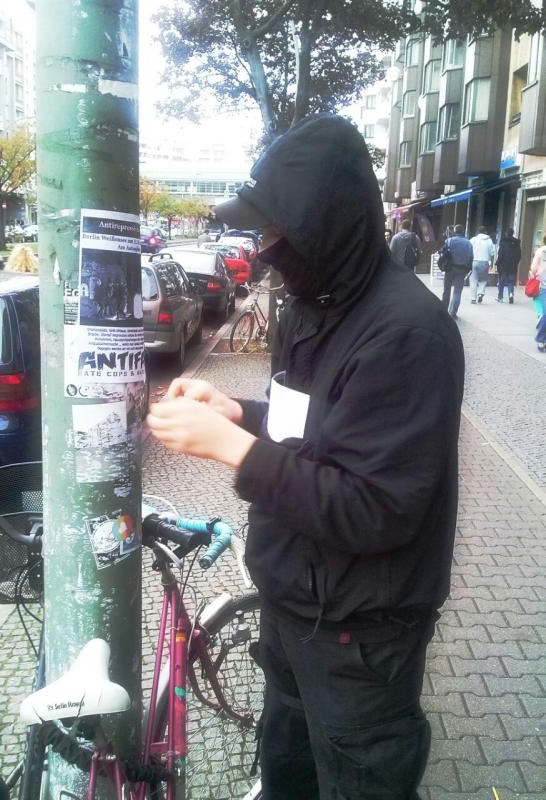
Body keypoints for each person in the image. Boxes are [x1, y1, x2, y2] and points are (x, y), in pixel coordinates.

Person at [146, 114, 464, 800]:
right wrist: (240, 413)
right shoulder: (315, 308)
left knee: (357, 780)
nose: (262, 248)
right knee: (289, 775)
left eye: (272, 230)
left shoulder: (407, 334)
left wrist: (233, 448)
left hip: (358, 637)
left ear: (322, 223)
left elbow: (375, 507)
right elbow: (314, 429)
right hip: (293, 611)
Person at [440, 224, 473, 319]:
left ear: (454, 231)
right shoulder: (468, 243)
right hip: (462, 269)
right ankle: (453, 312)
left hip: (449, 268)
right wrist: (468, 269)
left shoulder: (449, 241)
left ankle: (444, 311)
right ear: (463, 231)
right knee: (457, 292)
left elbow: (443, 253)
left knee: (446, 290)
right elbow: (470, 257)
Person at [469, 226, 495, 304]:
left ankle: (473, 298)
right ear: (485, 232)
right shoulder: (489, 241)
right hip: (485, 262)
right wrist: (492, 263)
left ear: (478, 232)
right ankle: (480, 293)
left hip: (474, 262)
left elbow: (469, 250)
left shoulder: (473, 239)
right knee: (483, 279)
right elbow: (492, 253)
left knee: (473, 280)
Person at [495, 228, 521, 304]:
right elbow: (519, 255)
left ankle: (500, 297)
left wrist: (497, 262)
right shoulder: (517, 243)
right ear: (512, 233)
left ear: (506, 233)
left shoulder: (503, 242)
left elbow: (500, 254)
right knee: (511, 281)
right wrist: (516, 263)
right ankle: (511, 294)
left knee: (501, 282)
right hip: (513, 266)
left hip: (503, 265)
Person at [530, 235, 546, 352]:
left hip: (543, 284)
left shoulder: (540, 251)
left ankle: (541, 339)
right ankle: (541, 338)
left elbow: (533, 268)